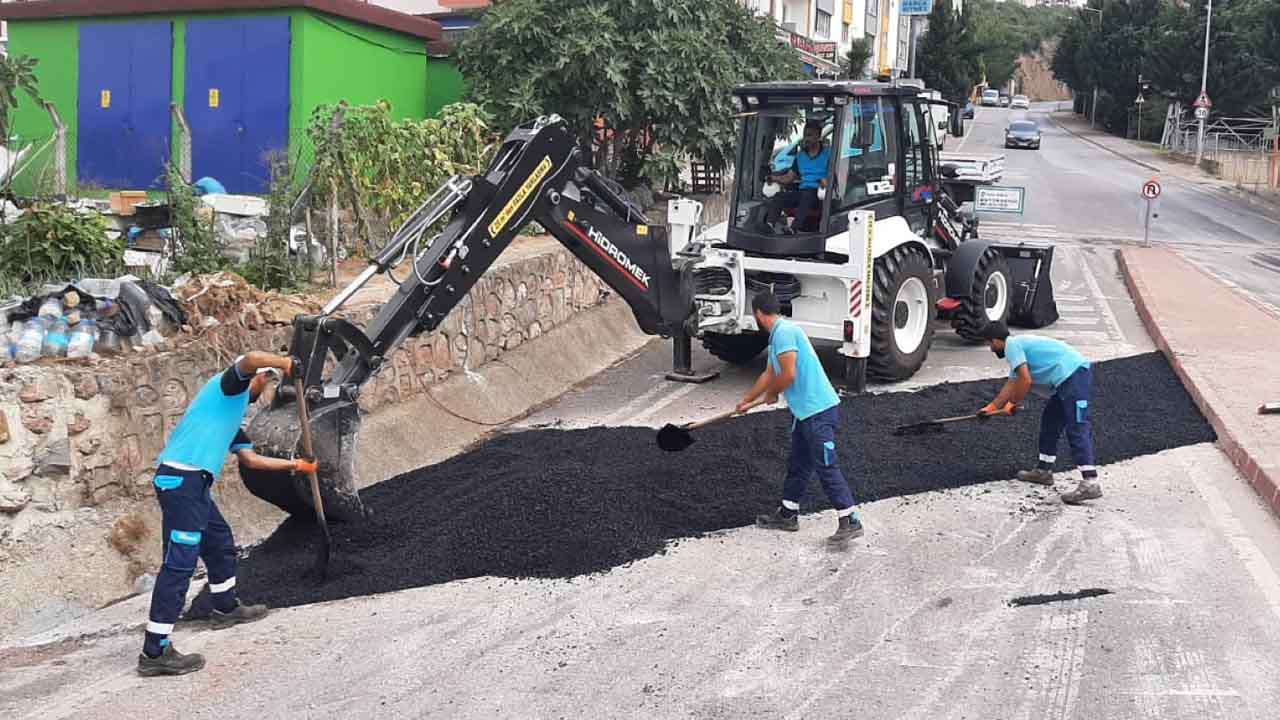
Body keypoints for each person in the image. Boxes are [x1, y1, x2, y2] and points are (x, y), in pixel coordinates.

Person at [138, 352, 317, 677]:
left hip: (195, 485)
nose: (264, 393)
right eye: (268, 383)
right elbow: (251, 358)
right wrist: (286, 364)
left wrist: (298, 465)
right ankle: (155, 650)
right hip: (181, 480)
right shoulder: (229, 388)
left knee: (220, 542)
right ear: (261, 378)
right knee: (180, 563)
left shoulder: (231, 418)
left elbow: (252, 460)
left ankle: (225, 607)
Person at [738, 291, 862, 545]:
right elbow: (769, 374)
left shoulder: (785, 333)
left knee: (826, 465)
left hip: (818, 410)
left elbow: (789, 374)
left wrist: (773, 393)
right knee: (798, 464)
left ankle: (850, 519)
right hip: (804, 413)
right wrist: (747, 401)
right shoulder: (778, 336)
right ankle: (788, 514)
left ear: (758, 313)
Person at [977, 322, 1101, 505]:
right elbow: (1012, 384)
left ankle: (1090, 482)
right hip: (1064, 382)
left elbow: (1025, 381)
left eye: (990, 344)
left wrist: (1012, 404)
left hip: (1074, 376)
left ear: (995, 340)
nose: (991, 348)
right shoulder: (1018, 350)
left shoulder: (1012, 346)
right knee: (1050, 422)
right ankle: (1043, 471)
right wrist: (991, 408)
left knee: (1077, 426)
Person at [763, 119, 831, 234]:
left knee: (808, 195)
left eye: (809, 135)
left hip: (820, 194)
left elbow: (836, 175)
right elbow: (789, 178)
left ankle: (793, 228)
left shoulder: (829, 154)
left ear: (818, 136)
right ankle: (769, 225)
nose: (806, 138)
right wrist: (774, 178)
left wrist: (827, 181)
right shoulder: (800, 156)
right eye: (805, 135)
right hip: (803, 192)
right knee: (780, 196)